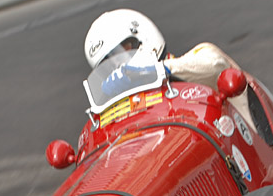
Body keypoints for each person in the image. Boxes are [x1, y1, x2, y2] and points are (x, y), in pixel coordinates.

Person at [83, 9, 254, 126]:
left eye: (123, 50)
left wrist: (152, 72)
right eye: (107, 65)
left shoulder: (199, 56)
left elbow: (215, 65)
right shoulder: (125, 110)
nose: (117, 65)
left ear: (141, 37)